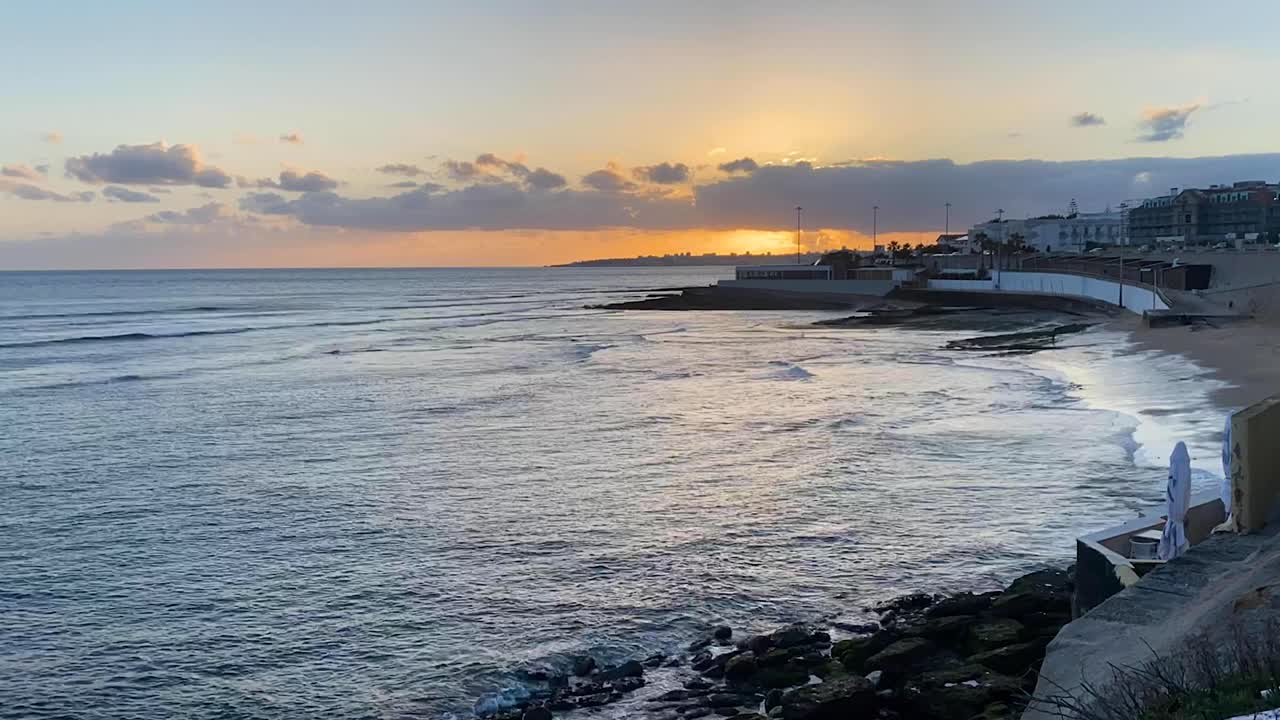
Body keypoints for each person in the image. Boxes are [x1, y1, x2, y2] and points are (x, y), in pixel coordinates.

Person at [1158, 442, 1192, 561]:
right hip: (1176, 518)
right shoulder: (1182, 471)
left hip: (1175, 518)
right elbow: (1184, 490)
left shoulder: (1174, 474)